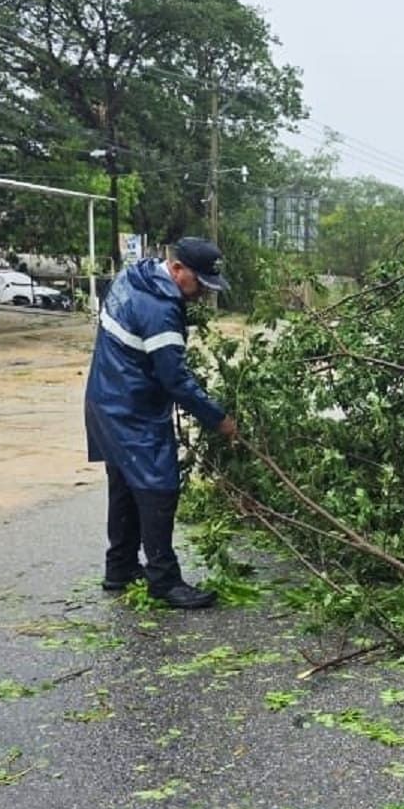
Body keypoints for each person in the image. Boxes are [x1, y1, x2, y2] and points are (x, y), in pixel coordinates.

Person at [84, 237, 237, 610]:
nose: (201, 293)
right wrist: (219, 420)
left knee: (123, 482)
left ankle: (119, 568)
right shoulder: (161, 308)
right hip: (133, 410)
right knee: (159, 487)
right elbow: (176, 380)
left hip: (105, 399)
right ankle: (164, 581)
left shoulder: (134, 276)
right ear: (178, 269)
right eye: (199, 284)